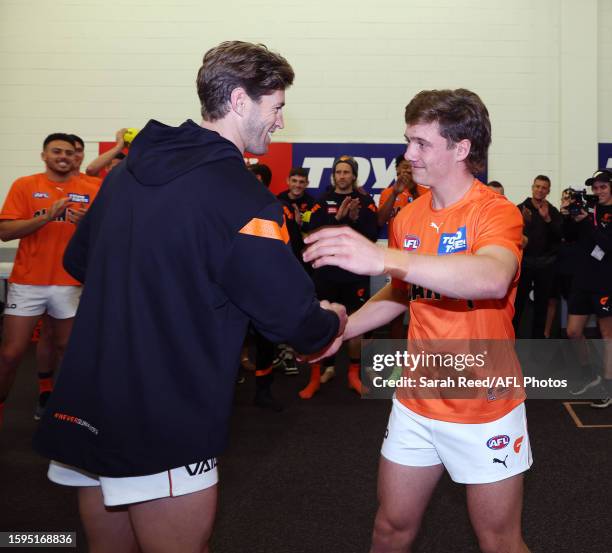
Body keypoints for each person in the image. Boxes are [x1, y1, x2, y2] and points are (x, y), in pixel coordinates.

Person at [33, 41, 345, 553]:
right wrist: (329, 322)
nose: (281, 122)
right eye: (277, 108)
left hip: (90, 393)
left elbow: (80, 261)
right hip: (163, 408)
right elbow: (291, 318)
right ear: (242, 101)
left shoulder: (125, 175)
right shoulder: (241, 197)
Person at [304, 89, 532, 553]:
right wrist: (341, 331)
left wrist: (383, 257)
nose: (409, 155)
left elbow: (491, 277)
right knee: (390, 529)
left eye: (422, 143)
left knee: (500, 542)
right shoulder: (408, 218)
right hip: (416, 401)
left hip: (484, 407)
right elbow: (405, 292)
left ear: (461, 148)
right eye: (408, 140)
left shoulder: (495, 211)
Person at [0, 133, 99, 427]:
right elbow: (5, 232)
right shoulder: (25, 185)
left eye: (69, 152)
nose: (63, 156)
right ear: (44, 155)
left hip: (70, 282)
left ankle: (62, 407)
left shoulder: (93, 187)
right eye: (56, 151)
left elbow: (109, 233)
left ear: (76, 156)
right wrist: (45, 217)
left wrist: (88, 225)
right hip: (28, 282)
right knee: (11, 353)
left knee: (66, 348)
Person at [299, 155, 378, 398]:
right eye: (339, 172)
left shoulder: (365, 202)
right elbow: (310, 232)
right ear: (334, 175)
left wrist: (355, 221)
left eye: (347, 172)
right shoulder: (320, 201)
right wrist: (337, 220)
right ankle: (316, 376)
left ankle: (353, 375)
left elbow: (372, 237)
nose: (342, 176)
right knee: (322, 323)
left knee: (356, 323)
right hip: (326, 273)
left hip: (355, 275)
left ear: (354, 176)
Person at [563, 170, 612, 408]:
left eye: (603, 187)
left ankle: (608, 384)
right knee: (573, 332)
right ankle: (589, 374)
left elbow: (607, 245)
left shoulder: (600, 215)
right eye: (596, 188)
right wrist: (569, 216)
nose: (598, 192)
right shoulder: (587, 210)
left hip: (606, 282)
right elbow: (568, 236)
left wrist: (589, 223)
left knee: (607, 336)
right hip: (582, 280)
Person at [513, 175, 563, 338]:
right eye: (537, 186)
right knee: (518, 303)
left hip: (545, 265)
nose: (540, 190)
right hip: (525, 263)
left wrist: (547, 219)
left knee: (542, 305)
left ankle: (538, 340)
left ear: (548, 191)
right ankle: (512, 337)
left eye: (544, 187)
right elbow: (512, 235)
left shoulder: (552, 211)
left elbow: (560, 236)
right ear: (532, 187)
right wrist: (524, 222)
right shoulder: (520, 208)